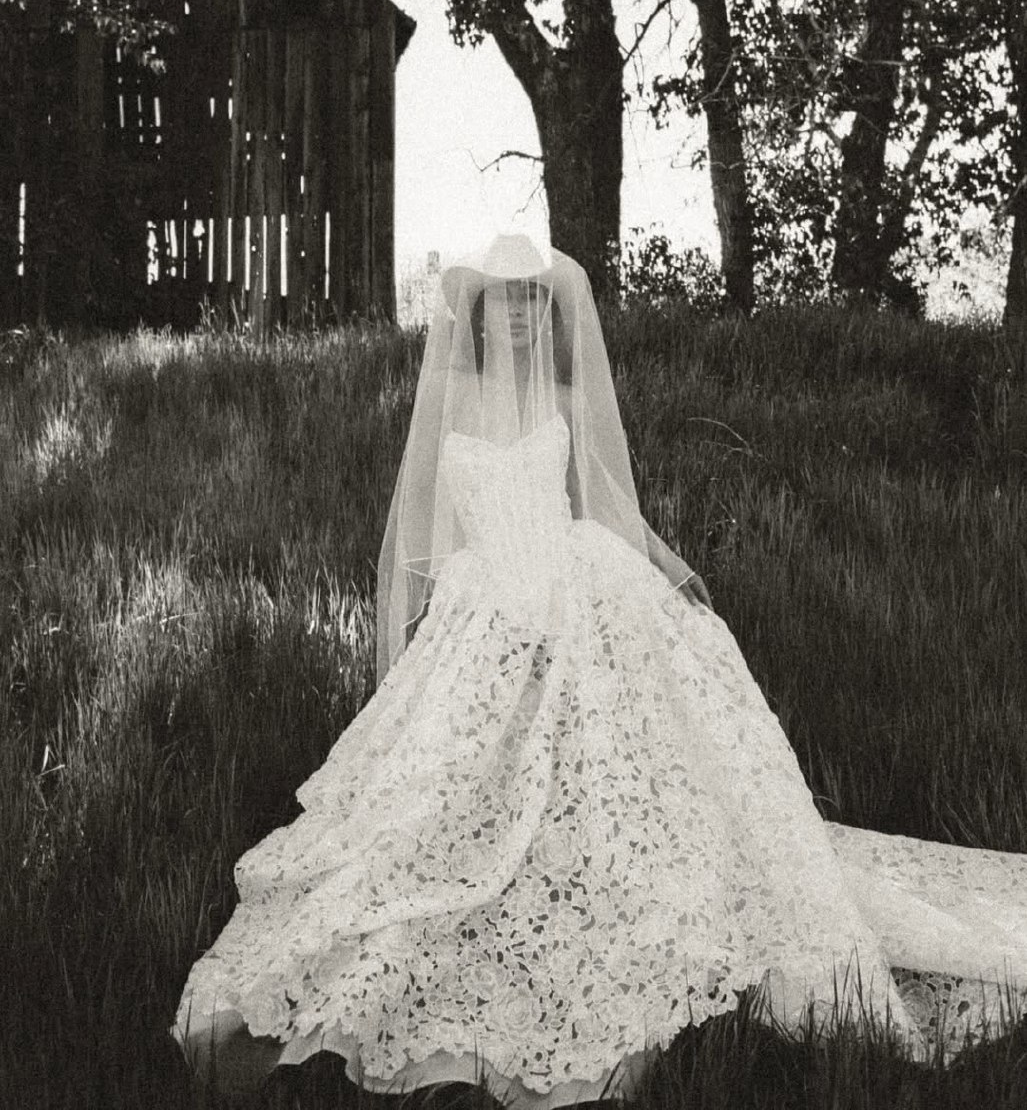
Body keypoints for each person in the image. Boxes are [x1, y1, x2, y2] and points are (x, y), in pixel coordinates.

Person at [170, 234, 1027, 1107]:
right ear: (477, 311)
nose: (518, 312)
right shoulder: (448, 398)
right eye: (503, 298)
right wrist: (426, 640)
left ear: (546, 311)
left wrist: (673, 573)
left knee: (624, 768)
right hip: (486, 598)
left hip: (583, 586)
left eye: (531, 298)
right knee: (442, 796)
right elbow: (419, 534)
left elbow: (610, 508)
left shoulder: (567, 398)